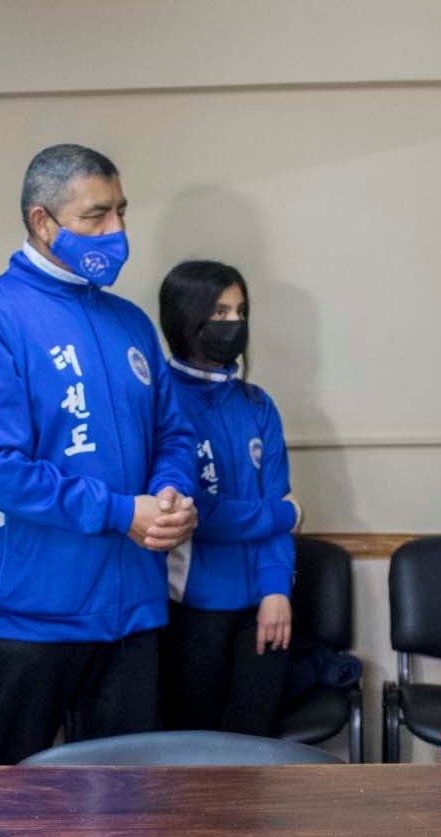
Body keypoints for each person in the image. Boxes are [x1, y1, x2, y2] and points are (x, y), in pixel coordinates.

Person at [0, 143, 199, 765]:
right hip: (29, 616)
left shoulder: (131, 322)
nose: (117, 232)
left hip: (131, 610)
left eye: (122, 212)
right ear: (41, 222)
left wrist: (170, 494)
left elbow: (174, 433)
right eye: (96, 216)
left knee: (127, 807)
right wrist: (119, 513)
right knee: (11, 814)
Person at [155, 260, 301, 736]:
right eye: (219, 312)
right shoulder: (160, 401)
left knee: (255, 750)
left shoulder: (258, 404)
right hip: (189, 610)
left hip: (263, 607)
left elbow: (276, 495)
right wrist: (281, 515)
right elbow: (196, 515)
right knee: (193, 759)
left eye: (239, 311)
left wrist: (277, 588)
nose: (233, 324)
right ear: (185, 318)